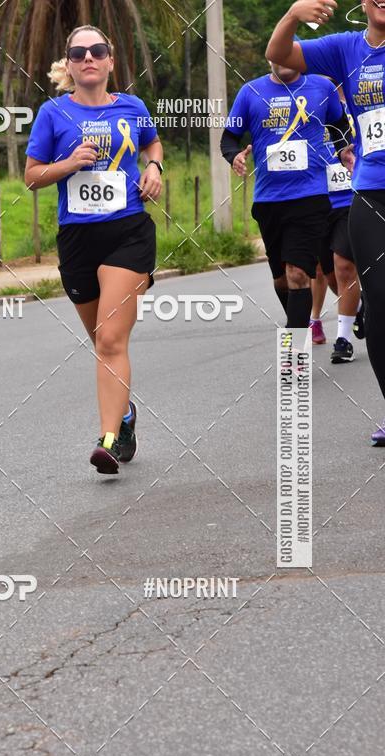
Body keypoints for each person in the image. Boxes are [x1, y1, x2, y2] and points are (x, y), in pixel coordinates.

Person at [24, 25, 163, 474]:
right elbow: (31, 176)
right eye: (78, 52)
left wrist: (155, 167)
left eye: (97, 50)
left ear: (110, 61)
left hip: (128, 232)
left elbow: (151, 142)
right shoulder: (51, 114)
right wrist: (67, 164)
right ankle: (124, 414)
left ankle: (108, 440)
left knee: (109, 339)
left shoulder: (132, 107)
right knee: (100, 341)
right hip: (78, 239)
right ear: (68, 63)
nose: (88, 58)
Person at [266, 0, 385, 445]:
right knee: (380, 307)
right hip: (371, 190)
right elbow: (279, 53)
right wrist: (294, 14)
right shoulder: (344, 49)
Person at [221, 61, 348, 330]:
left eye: (289, 54)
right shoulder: (250, 92)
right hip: (268, 201)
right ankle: (297, 328)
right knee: (282, 279)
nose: (283, 60)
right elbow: (228, 138)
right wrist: (235, 158)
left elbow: (340, 127)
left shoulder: (321, 87)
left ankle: (294, 354)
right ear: (268, 59)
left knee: (298, 274)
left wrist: (345, 151)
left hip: (310, 197)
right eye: (277, 55)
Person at [310, 96, 362, 363]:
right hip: (317, 201)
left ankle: (343, 341)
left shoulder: (356, 101)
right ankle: (359, 306)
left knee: (344, 267)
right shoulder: (309, 105)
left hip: (349, 201)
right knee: (328, 275)